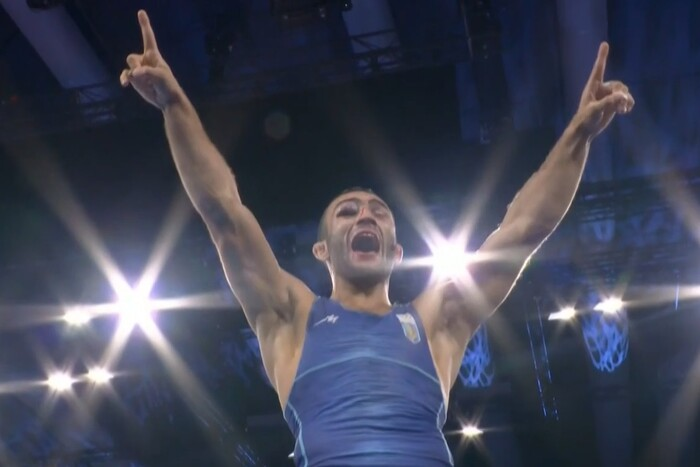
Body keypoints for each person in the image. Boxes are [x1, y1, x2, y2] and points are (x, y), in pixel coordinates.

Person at [120, 10, 634, 466]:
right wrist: (173, 104)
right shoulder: (291, 316)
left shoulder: (437, 319)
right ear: (321, 250)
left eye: (379, 213)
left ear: (397, 250)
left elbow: (525, 227)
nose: (365, 217)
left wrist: (579, 134)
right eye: (347, 212)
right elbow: (224, 213)